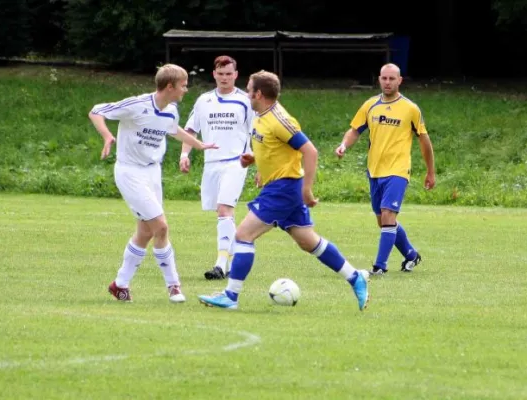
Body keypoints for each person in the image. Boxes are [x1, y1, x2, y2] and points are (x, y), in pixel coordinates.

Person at [198, 70, 370, 311]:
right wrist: (255, 160)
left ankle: (231, 296)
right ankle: (355, 277)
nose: (246, 93)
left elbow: (310, 151)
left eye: (249, 90)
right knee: (309, 241)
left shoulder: (280, 120)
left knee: (242, 236)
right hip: (279, 186)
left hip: (284, 188)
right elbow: (272, 148)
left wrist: (306, 190)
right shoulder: (260, 115)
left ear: (259, 93)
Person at [88, 64, 218, 303]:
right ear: (170, 86)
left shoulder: (171, 110)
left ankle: (120, 284)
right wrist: (107, 136)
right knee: (161, 227)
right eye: (184, 85)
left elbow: (173, 129)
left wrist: (198, 145)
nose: (186, 90)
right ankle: (174, 286)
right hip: (130, 173)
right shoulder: (137, 105)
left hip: (152, 173)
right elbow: (97, 111)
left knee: (146, 232)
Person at [335, 63, 436, 276]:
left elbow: (424, 141)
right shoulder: (370, 105)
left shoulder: (410, 109)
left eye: (392, 79)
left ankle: (379, 267)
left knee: (388, 215)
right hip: (375, 171)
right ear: (379, 79)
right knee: (383, 221)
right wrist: (344, 145)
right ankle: (410, 254)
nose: (388, 82)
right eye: (384, 78)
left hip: (398, 170)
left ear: (400, 80)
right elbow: (355, 130)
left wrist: (430, 171)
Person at [179, 55, 254, 280]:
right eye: (220, 74)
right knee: (222, 214)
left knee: (224, 209)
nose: (224, 78)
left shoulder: (245, 100)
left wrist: (259, 163)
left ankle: (220, 265)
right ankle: (232, 262)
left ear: (236, 75)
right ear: (214, 74)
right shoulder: (203, 101)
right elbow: (190, 130)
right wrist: (184, 154)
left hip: (236, 162)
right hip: (211, 164)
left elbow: (257, 133)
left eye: (229, 74)